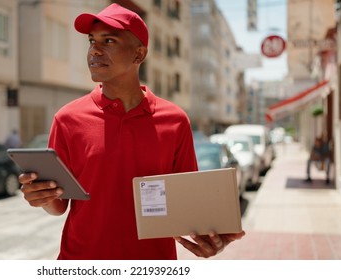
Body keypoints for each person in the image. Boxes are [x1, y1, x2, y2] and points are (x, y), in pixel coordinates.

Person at [19, 3, 245, 260]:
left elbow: (187, 208)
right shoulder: (67, 119)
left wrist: (215, 239)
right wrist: (41, 196)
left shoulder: (175, 121)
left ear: (139, 54)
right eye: (92, 41)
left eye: (109, 40)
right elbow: (57, 206)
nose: (94, 50)